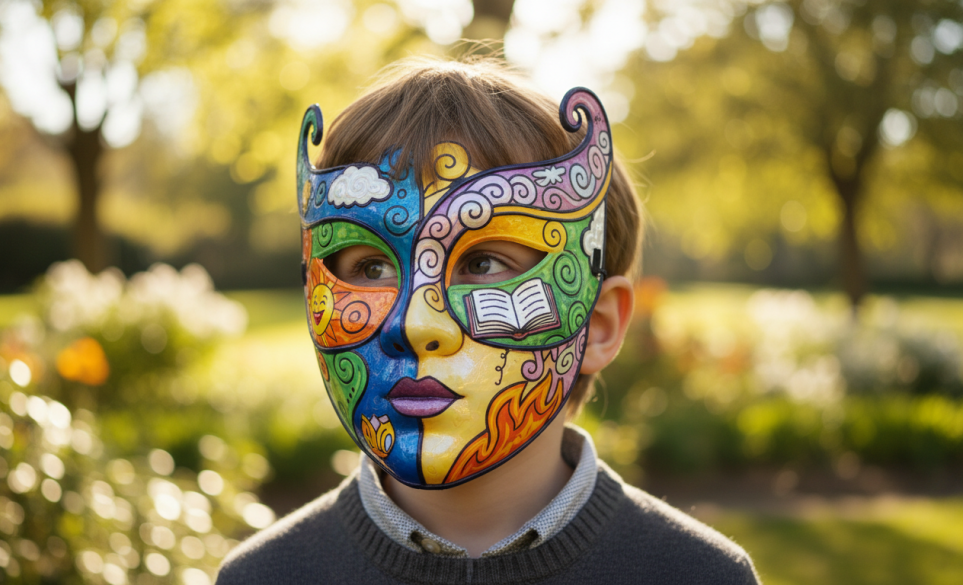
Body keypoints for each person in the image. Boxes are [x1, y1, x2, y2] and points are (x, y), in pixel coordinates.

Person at [217, 57, 760, 584]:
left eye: (482, 264)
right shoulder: (264, 577)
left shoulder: (698, 576)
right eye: (371, 266)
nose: (415, 324)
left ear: (598, 324)